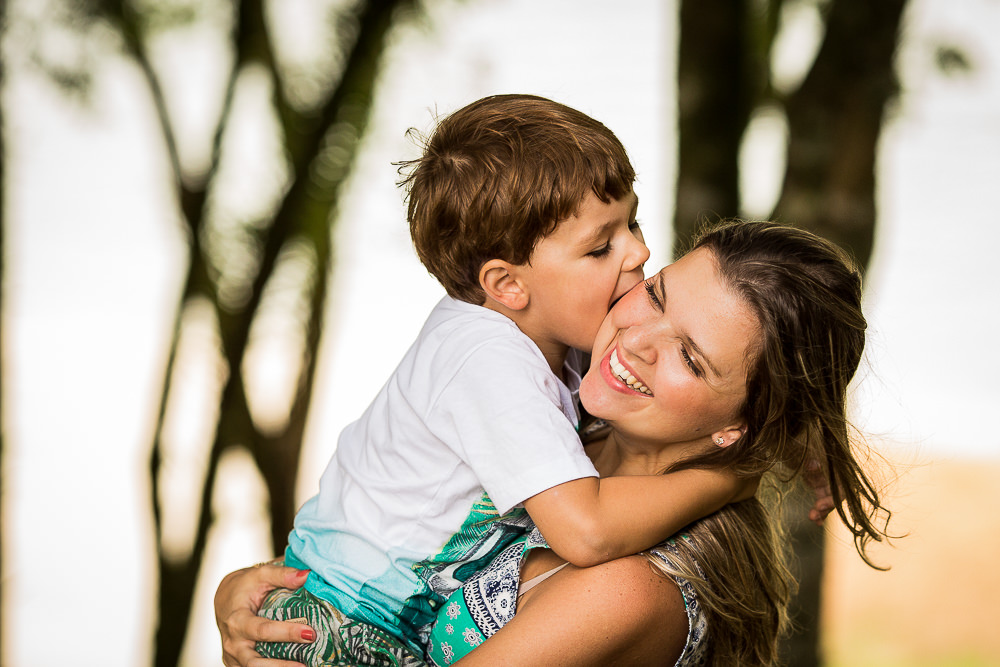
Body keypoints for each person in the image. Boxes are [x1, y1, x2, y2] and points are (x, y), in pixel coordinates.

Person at [216, 220, 891, 667]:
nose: (636, 341)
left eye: (691, 356)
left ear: (735, 428)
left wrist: (742, 475)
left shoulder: (632, 588)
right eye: (655, 295)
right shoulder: (557, 418)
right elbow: (389, 549)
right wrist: (252, 603)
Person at [254, 95, 754, 666]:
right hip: (338, 620)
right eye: (600, 246)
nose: (639, 251)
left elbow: (749, 397)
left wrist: (804, 450)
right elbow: (586, 530)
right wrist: (731, 482)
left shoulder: (549, 345)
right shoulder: (488, 359)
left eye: (633, 221)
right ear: (507, 284)